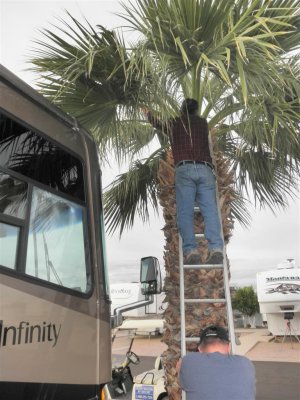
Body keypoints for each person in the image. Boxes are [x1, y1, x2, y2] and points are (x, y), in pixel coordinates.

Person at [145, 99, 223, 265]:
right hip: (205, 169)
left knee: (185, 212)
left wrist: (147, 113)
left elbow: (158, 124)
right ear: (196, 110)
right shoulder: (203, 123)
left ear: (181, 110)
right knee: (210, 211)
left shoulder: (175, 123)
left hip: (185, 169)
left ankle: (191, 251)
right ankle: (216, 248)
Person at [177, 325, 256, 400]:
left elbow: (182, 384)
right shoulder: (245, 363)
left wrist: (179, 370)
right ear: (229, 347)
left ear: (200, 349)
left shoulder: (188, 361)